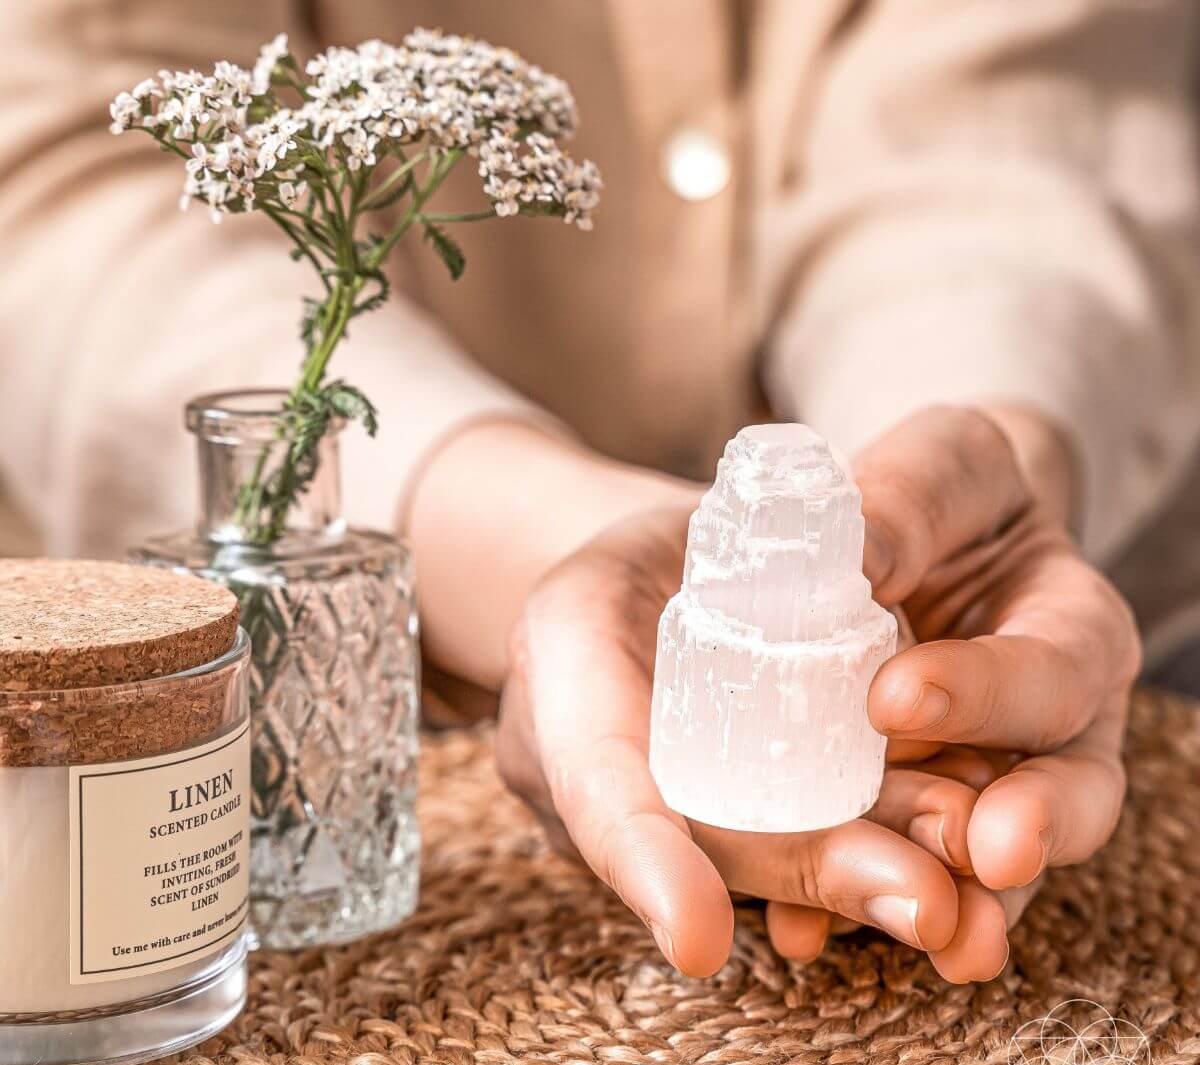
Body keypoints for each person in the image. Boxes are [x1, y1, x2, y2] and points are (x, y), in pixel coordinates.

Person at [2, 1, 1198, 982]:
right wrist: (542, 545)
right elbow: (76, 175)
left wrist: (971, 457)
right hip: (269, 677)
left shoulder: (847, 612)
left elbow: (1009, 119)